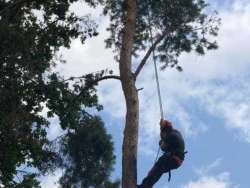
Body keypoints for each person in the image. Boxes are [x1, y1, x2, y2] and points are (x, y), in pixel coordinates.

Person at [138, 119, 186, 188]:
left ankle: (145, 186)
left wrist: (161, 141)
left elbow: (163, 146)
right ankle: (145, 185)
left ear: (165, 130)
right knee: (158, 170)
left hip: (174, 158)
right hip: (177, 160)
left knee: (157, 169)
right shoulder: (176, 132)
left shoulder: (170, 136)